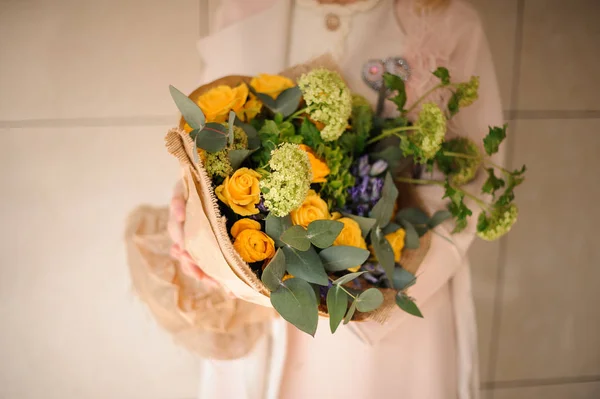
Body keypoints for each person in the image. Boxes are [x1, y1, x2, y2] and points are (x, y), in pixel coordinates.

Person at [167, 0, 504, 398]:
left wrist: (369, 299)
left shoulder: (444, 21)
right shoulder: (241, 9)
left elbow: (477, 182)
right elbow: (206, 141)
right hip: (252, 308)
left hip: (385, 317)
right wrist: (192, 219)